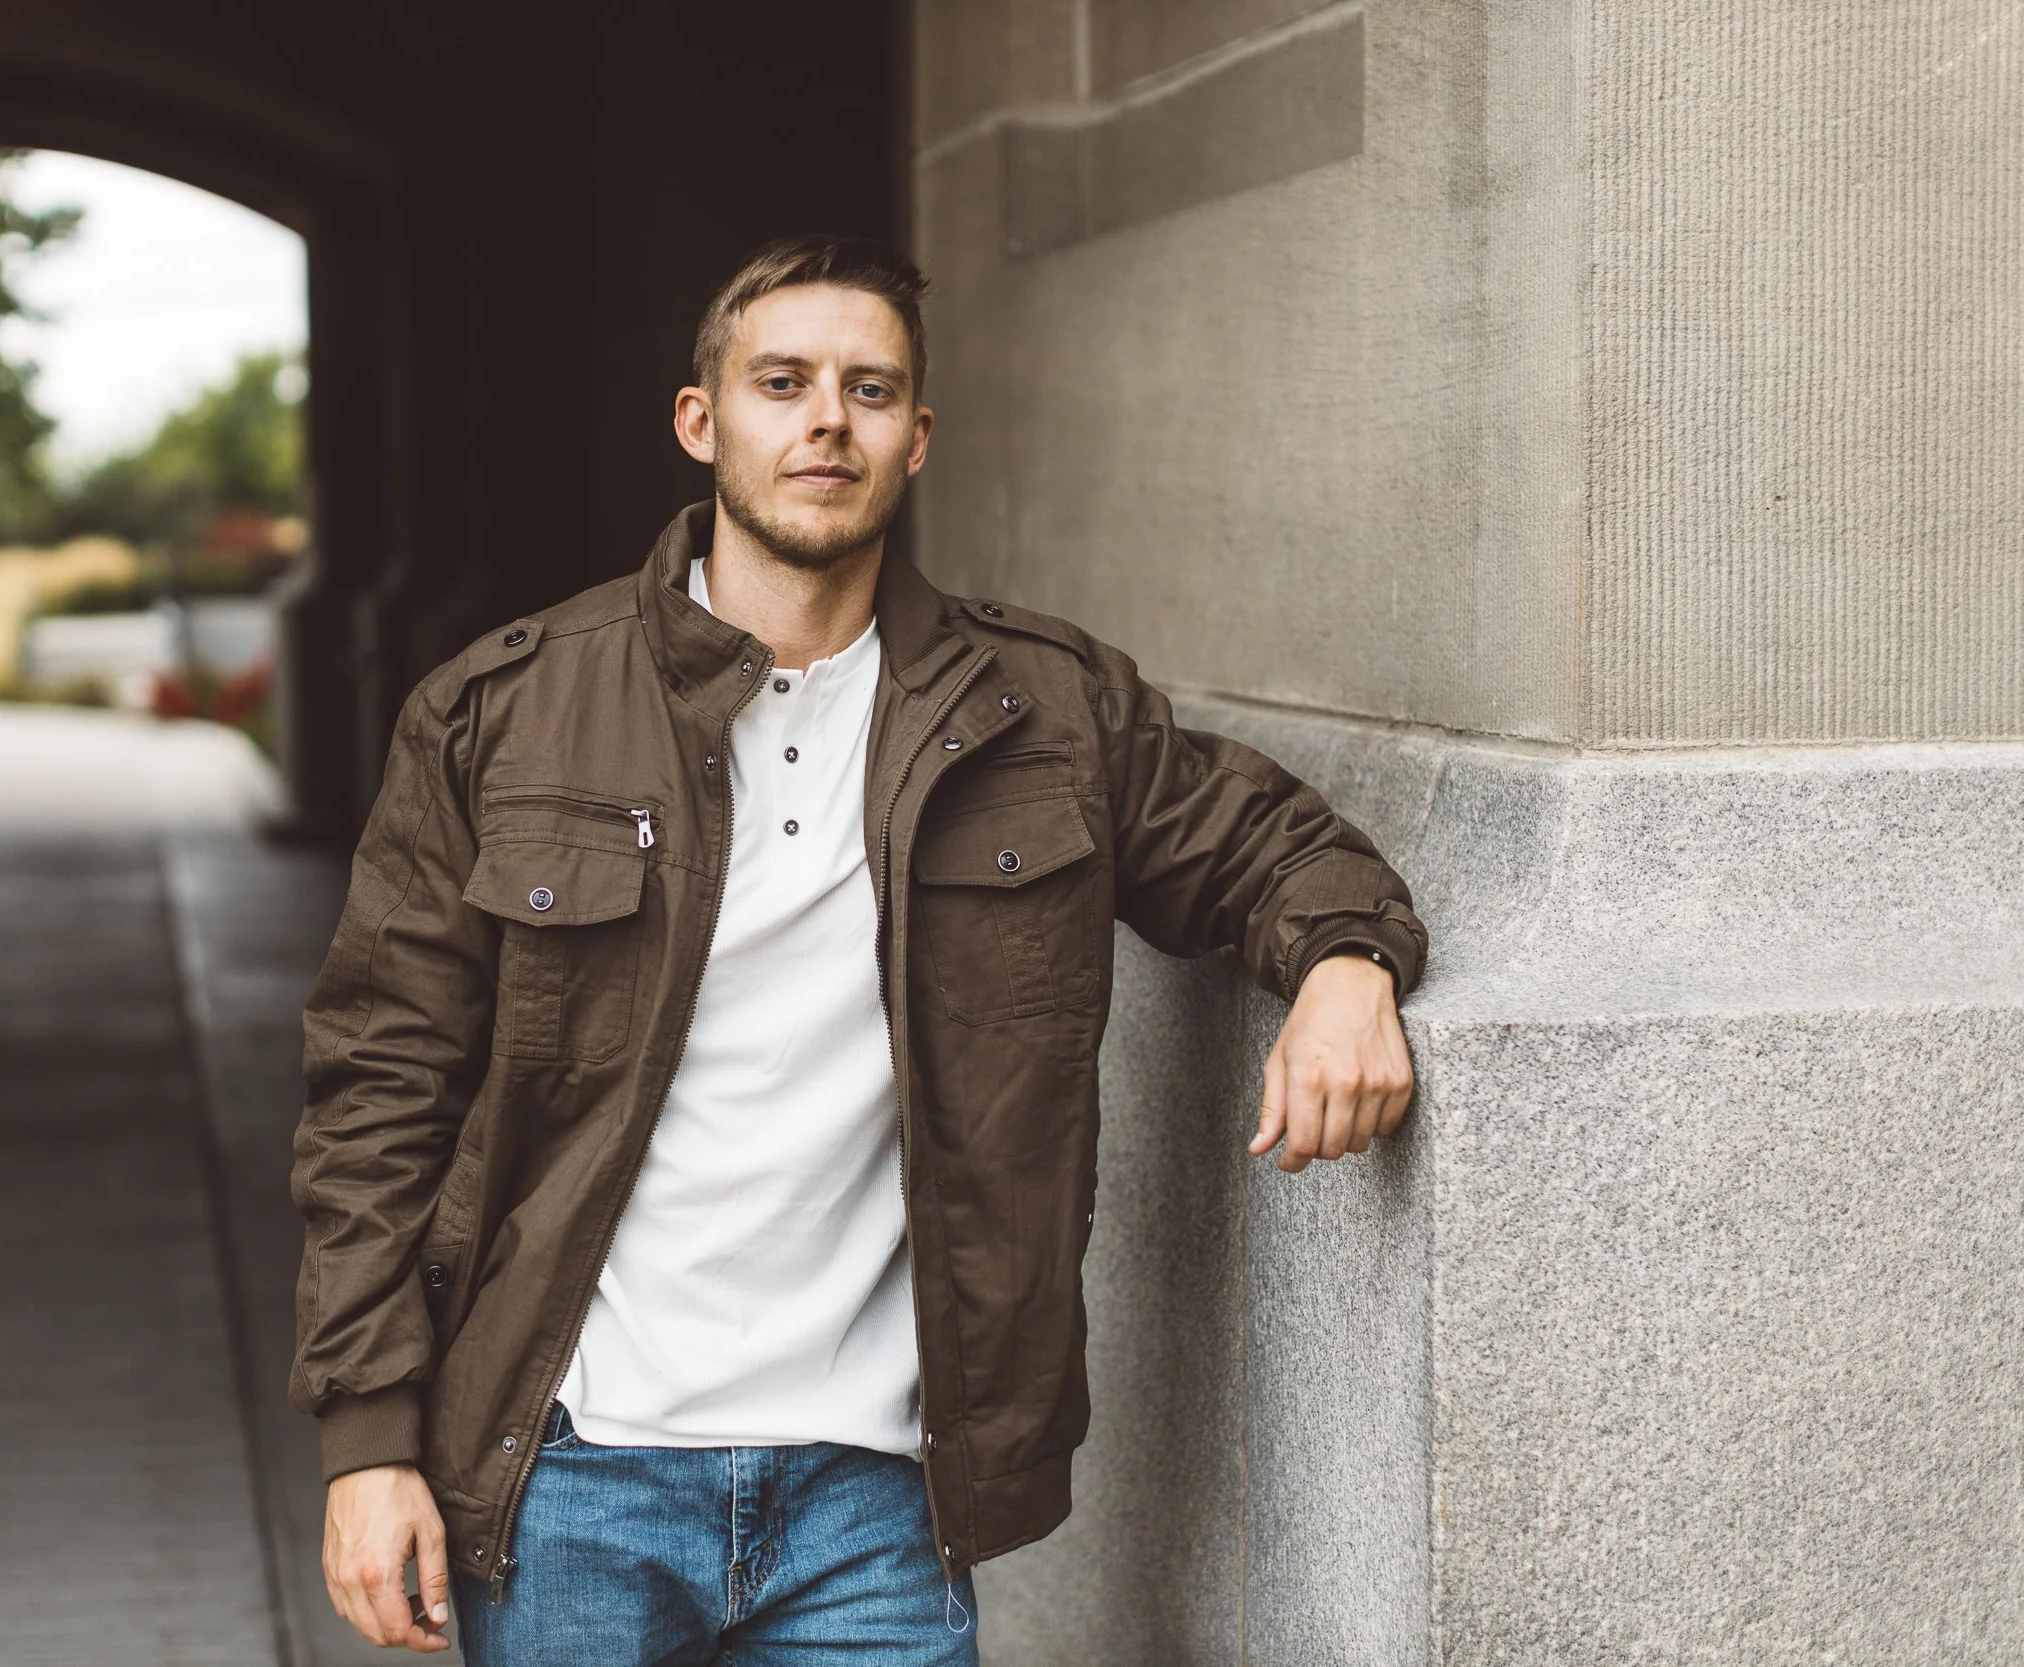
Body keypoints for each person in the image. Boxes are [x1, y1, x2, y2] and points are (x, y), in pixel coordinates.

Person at [290, 234, 1427, 1663]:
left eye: (869, 389)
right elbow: (377, 1093)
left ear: (918, 438)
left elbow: (1279, 847)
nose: (827, 418)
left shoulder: (1044, 711)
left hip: (875, 1499)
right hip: (575, 1475)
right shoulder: (502, 714)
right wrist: (368, 1439)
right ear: (703, 423)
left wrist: (1344, 969)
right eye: (782, 381)